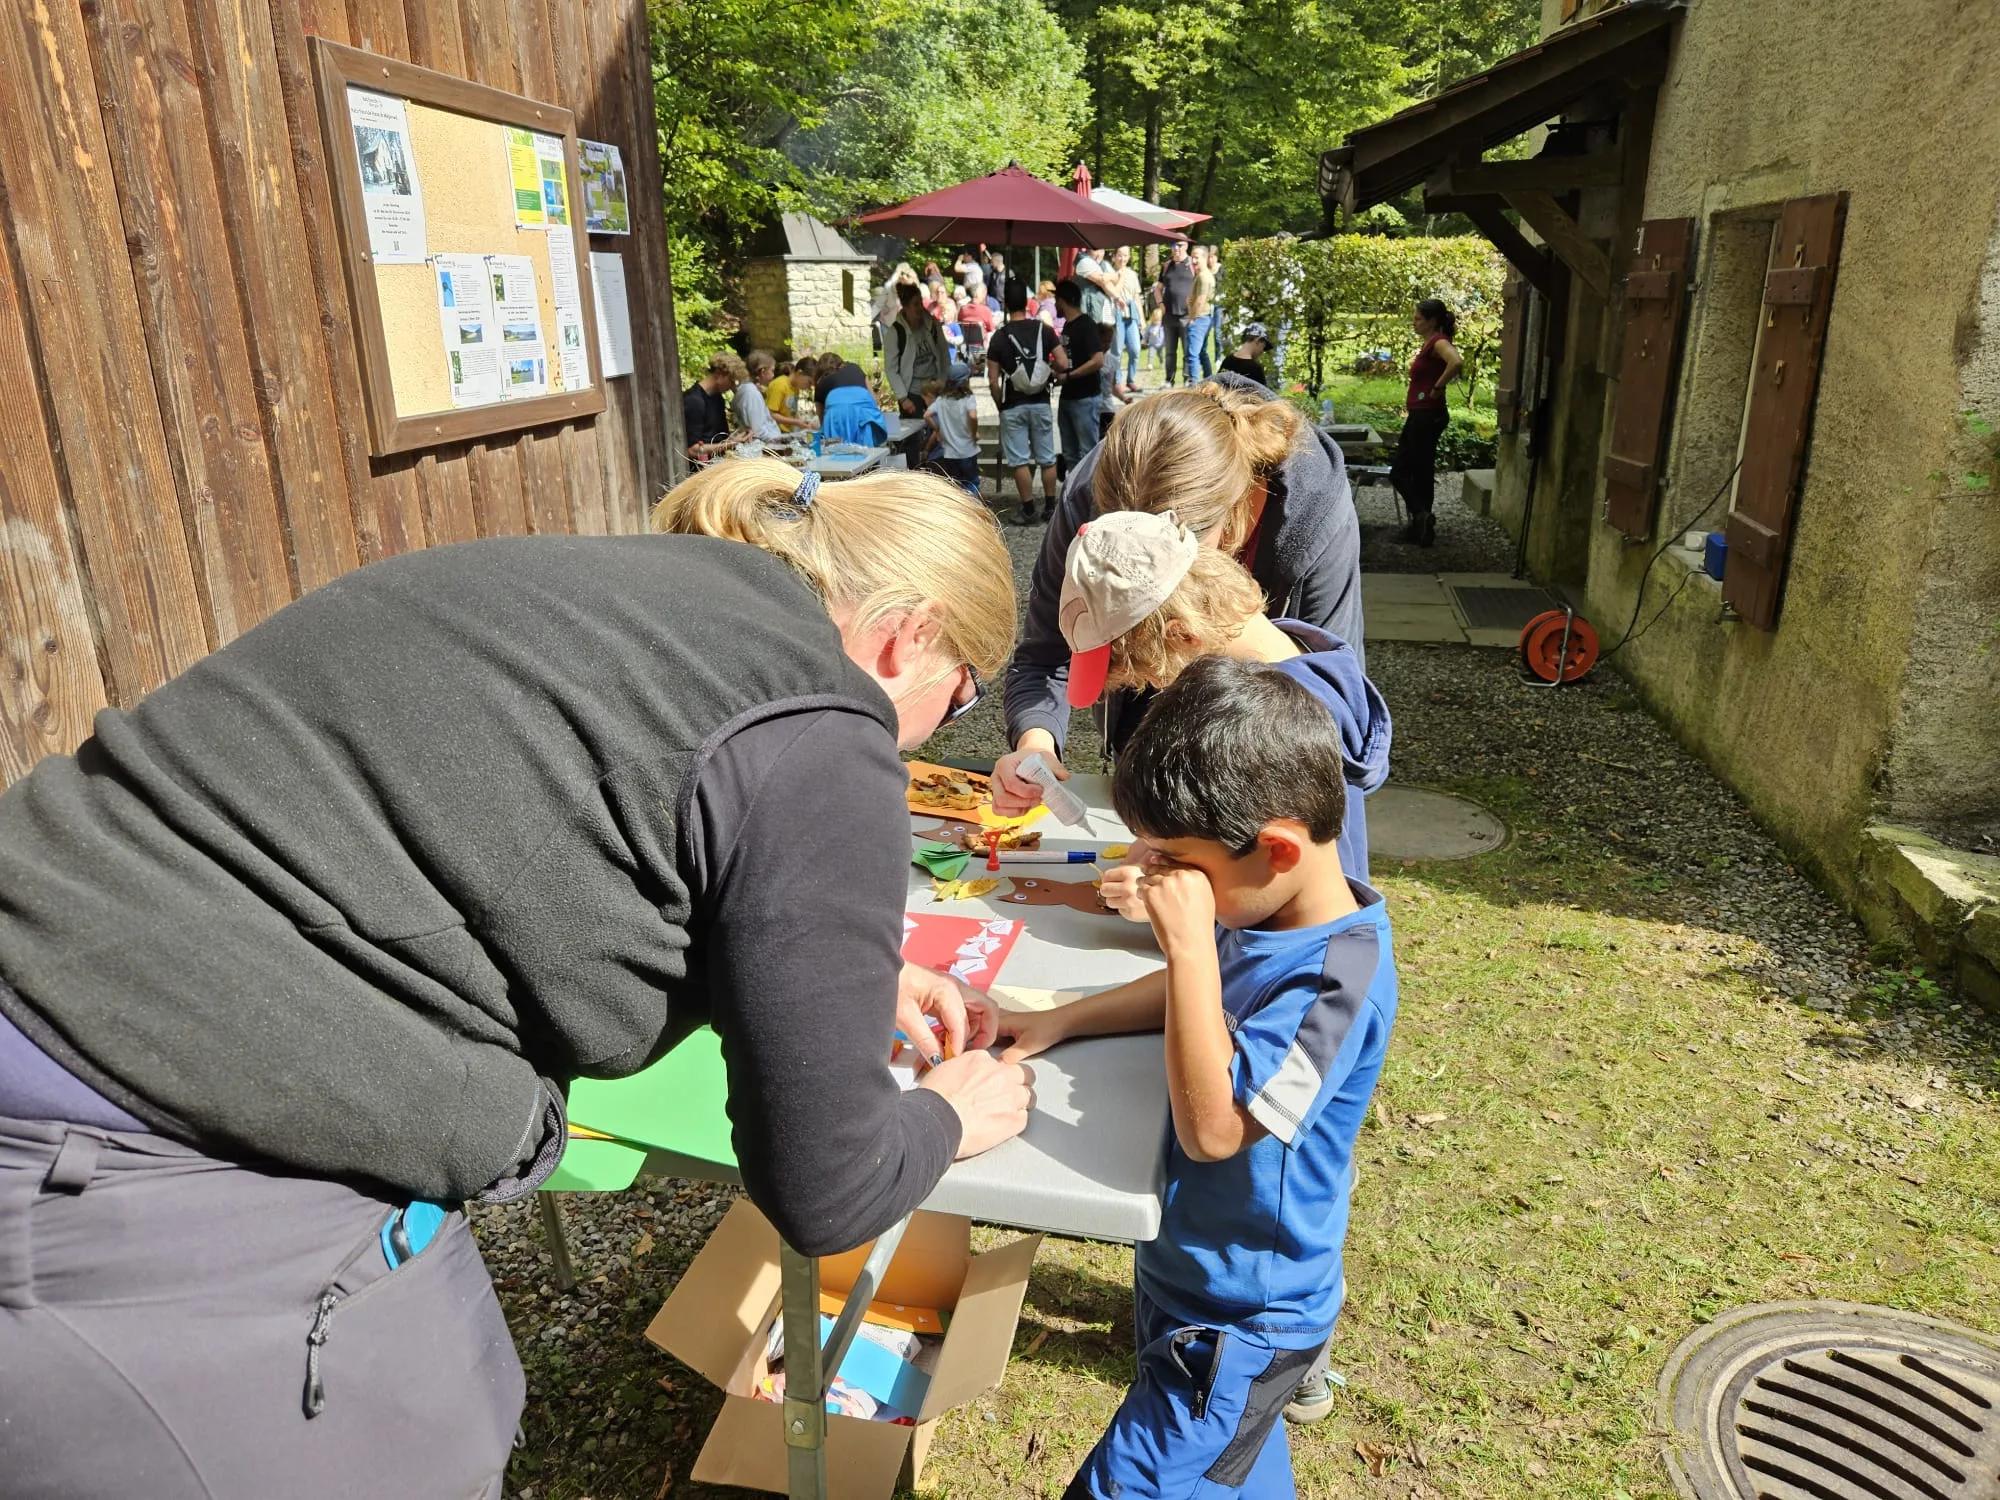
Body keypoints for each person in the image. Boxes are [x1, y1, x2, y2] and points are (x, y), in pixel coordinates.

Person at [0, 456, 1035, 1497]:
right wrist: (949, 1112)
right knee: (428, 1437)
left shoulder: (623, 588)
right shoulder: (826, 722)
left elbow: (528, 829)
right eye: (961, 701)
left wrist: (837, 973)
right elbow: (829, 1188)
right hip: (134, 1113)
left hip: (70, 960)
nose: (935, 732)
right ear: (912, 634)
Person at [1000, 655, 1398, 1493]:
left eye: (1176, 861)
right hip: (1186, 1273)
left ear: (1276, 848)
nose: (1152, 873)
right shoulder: (1263, 908)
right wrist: (1061, 1018)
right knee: (1230, 1471)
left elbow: (1216, 1130)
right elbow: (1203, 1002)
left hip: (1244, 1319)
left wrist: (1185, 943)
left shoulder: (1336, 982)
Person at [994, 378, 1364, 814]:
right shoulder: (1091, 499)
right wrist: (1036, 744)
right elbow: (1046, 656)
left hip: (1265, 776)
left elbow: (1336, 723)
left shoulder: (1314, 516)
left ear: (1230, 520)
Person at [1047, 508, 1388, 888]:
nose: (1157, 689)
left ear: (1184, 636)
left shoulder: (1277, 723)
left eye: (1153, 678)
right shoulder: (1295, 655)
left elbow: (1294, 887)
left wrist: (1179, 897)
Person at [1390, 298, 1463, 547]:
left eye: (1419, 318)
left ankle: (1420, 515)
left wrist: (1438, 387)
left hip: (1426, 415)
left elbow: (1456, 362)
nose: (1415, 322)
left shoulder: (1438, 341)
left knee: (1400, 471)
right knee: (1421, 470)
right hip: (1424, 414)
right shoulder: (1431, 343)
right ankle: (1421, 528)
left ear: (1432, 321)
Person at [988, 280, 1060, 525]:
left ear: (1006, 304)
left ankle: (1028, 509)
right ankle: (1050, 506)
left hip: (1013, 405)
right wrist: (1050, 372)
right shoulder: (1044, 330)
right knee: (1047, 458)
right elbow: (1062, 361)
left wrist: (999, 405)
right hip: (1040, 401)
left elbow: (993, 381)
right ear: (1027, 303)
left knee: (1019, 460)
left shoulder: (999, 337)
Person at [1052, 278, 1105, 478]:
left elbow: (1098, 360)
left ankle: (1090, 491)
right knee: (1070, 453)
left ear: (1062, 300)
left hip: (1085, 397)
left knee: (1088, 452)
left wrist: (1070, 376)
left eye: (1056, 300)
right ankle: (1074, 489)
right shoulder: (1068, 326)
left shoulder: (1086, 325)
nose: (1055, 305)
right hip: (1068, 397)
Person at [887, 282, 951, 419]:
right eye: (915, 304)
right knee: (916, 431)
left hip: (935, 390)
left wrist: (944, 383)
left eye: (920, 303)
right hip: (912, 394)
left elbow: (944, 354)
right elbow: (891, 369)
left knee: (939, 429)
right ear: (905, 306)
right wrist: (903, 398)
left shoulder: (932, 324)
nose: (920, 308)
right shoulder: (896, 332)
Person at [923, 363, 981, 496]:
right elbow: (973, 416)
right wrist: (973, 433)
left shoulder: (941, 400)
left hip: (949, 452)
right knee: (972, 482)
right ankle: (972, 505)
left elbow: (927, 415)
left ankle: (958, 505)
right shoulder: (968, 398)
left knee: (955, 484)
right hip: (968, 450)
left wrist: (937, 430)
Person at [683, 351, 749, 463]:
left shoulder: (718, 398)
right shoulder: (694, 401)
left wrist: (739, 437)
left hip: (718, 463)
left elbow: (719, 438)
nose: (732, 386)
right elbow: (692, 450)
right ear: (719, 374)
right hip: (701, 468)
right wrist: (730, 444)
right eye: (732, 381)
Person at [814, 352, 889, 447]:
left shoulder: (821, 381)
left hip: (836, 413)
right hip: (863, 412)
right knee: (866, 451)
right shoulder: (855, 368)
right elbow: (874, 399)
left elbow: (822, 419)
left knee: (835, 450)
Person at [1158, 241, 1195, 384]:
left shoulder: (1192, 264)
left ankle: (1187, 379)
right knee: (1169, 352)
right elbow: (1158, 288)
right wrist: (1160, 304)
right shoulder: (1167, 265)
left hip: (1186, 315)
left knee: (1187, 350)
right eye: (1173, 245)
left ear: (1186, 246)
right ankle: (1169, 379)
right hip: (1169, 315)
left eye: (1180, 245)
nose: (1176, 248)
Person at [1111, 246, 1144, 395]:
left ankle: (1131, 380)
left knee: (1135, 349)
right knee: (1117, 351)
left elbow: (1136, 297)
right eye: (1120, 255)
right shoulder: (1110, 273)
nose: (1122, 258)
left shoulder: (1132, 274)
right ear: (1114, 257)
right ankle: (1117, 382)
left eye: (1125, 255)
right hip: (1116, 314)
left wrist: (1141, 318)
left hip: (1131, 314)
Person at [733, 350, 784, 442]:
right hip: (765, 445)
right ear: (762, 371)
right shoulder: (751, 393)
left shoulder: (748, 389)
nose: (773, 375)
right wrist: (777, 440)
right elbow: (757, 430)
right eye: (772, 371)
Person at [1185, 245, 1217, 382]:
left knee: (1193, 353)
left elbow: (1201, 300)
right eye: (1192, 257)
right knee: (1202, 352)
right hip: (1205, 317)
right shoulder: (1201, 275)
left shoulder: (1203, 277)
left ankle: (1194, 384)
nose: (1193, 261)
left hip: (1200, 318)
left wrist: (1192, 318)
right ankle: (1210, 381)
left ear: (1205, 257)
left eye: (1196, 258)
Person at [1220, 322, 1273, 387]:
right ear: (1258, 340)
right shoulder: (1255, 369)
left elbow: (1216, 383)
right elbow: (1263, 392)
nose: (1262, 351)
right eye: (1263, 346)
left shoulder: (1228, 360)